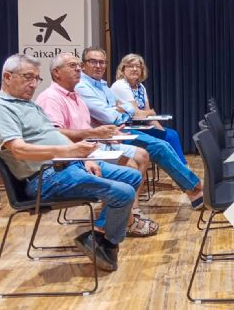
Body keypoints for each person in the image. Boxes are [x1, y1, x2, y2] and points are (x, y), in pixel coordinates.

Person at [0, 54, 143, 271]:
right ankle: (107, 243)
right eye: (28, 77)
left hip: (67, 164)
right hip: (44, 177)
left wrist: (82, 158)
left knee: (133, 176)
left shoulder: (28, 104)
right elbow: (19, 150)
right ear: (7, 77)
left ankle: (100, 235)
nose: (32, 84)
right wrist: (69, 150)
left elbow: (53, 133)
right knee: (123, 193)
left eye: (36, 79)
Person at [36, 52, 158, 236]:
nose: (78, 69)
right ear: (56, 72)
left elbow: (111, 113)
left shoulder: (76, 94)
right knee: (134, 164)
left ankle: (119, 220)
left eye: (78, 65)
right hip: (72, 157)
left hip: (93, 145)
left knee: (141, 157)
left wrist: (108, 133)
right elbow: (55, 134)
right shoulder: (51, 98)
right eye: (73, 65)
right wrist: (94, 136)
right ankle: (117, 223)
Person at [74, 47, 204, 209]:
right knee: (160, 146)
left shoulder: (102, 85)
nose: (99, 66)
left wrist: (123, 110)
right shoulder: (83, 86)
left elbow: (127, 108)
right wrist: (123, 111)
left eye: (102, 62)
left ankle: (194, 189)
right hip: (105, 137)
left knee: (164, 142)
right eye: (94, 62)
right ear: (83, 65)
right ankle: (195, 188)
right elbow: (113, 115)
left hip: (119, 131)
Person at [110, 53, 188, 166]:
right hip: (124, 129)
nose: (135, 69)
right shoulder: (121, 85)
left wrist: (161, 130)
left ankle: (181, 167)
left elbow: (149, 117)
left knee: (171, 134)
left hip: (141, 126)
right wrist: (149, 112)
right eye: (130, 66)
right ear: (123, 69)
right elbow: (138, 115)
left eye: (138, 66)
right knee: (169, 136)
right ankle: (182, 168)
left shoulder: (141, 87)